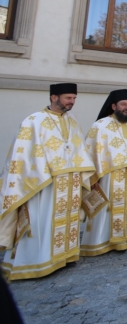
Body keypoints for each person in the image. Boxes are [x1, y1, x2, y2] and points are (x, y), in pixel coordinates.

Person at [0, 83, 95, 280]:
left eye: (74, 98)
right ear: (54, 97)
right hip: (44, 183)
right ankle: (36, 260)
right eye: (68, 98)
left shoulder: (72, 121)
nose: (72, 102)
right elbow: (23, 155)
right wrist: (41, 174)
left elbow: (78, 150)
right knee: (41, 220)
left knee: (66, 221)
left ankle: (63, 256)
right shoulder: (34, 121)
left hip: (70, 182)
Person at [81, 89, 127, 256]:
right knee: (106, 209)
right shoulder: (100, 125)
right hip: (108, 176)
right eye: (123, 104)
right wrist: (93, 177)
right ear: (113, 106)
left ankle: (125, 239)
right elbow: (90, 151)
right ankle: (100, 242)